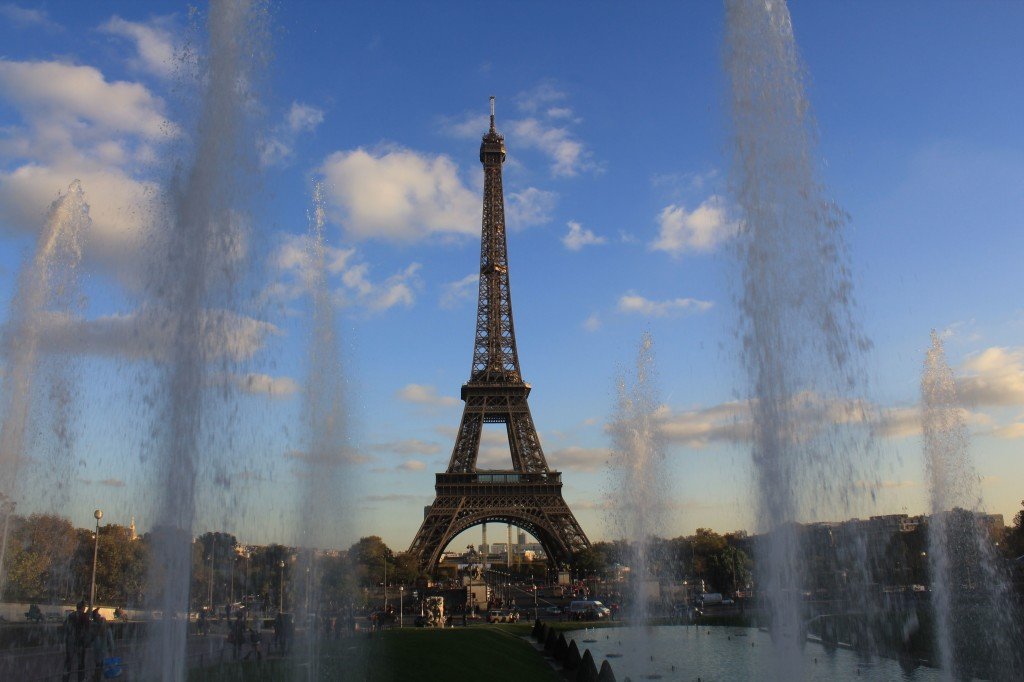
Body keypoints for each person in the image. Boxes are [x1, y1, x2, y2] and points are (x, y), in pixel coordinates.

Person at [62, 600, 90, 682]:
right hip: (80, 641)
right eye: (84, 607)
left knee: (68, 661)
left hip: (70, 640)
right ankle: (81, 679)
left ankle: (65, 679)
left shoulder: (71, 615)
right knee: (81, 662)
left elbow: (64, 625)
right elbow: (87, 628)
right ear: (83, 607)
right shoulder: (84, 616)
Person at [90, 609, 114, 682]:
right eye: (98, 614)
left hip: (97, 650)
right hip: (102, 650)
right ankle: (99, 678)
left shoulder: (93, 626)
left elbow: (91, 639)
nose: (100, 615)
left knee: (98, 665)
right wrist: (111, 648)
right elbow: (110, 640)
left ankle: (97, 678)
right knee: (102, 665)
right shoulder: (105, 627)